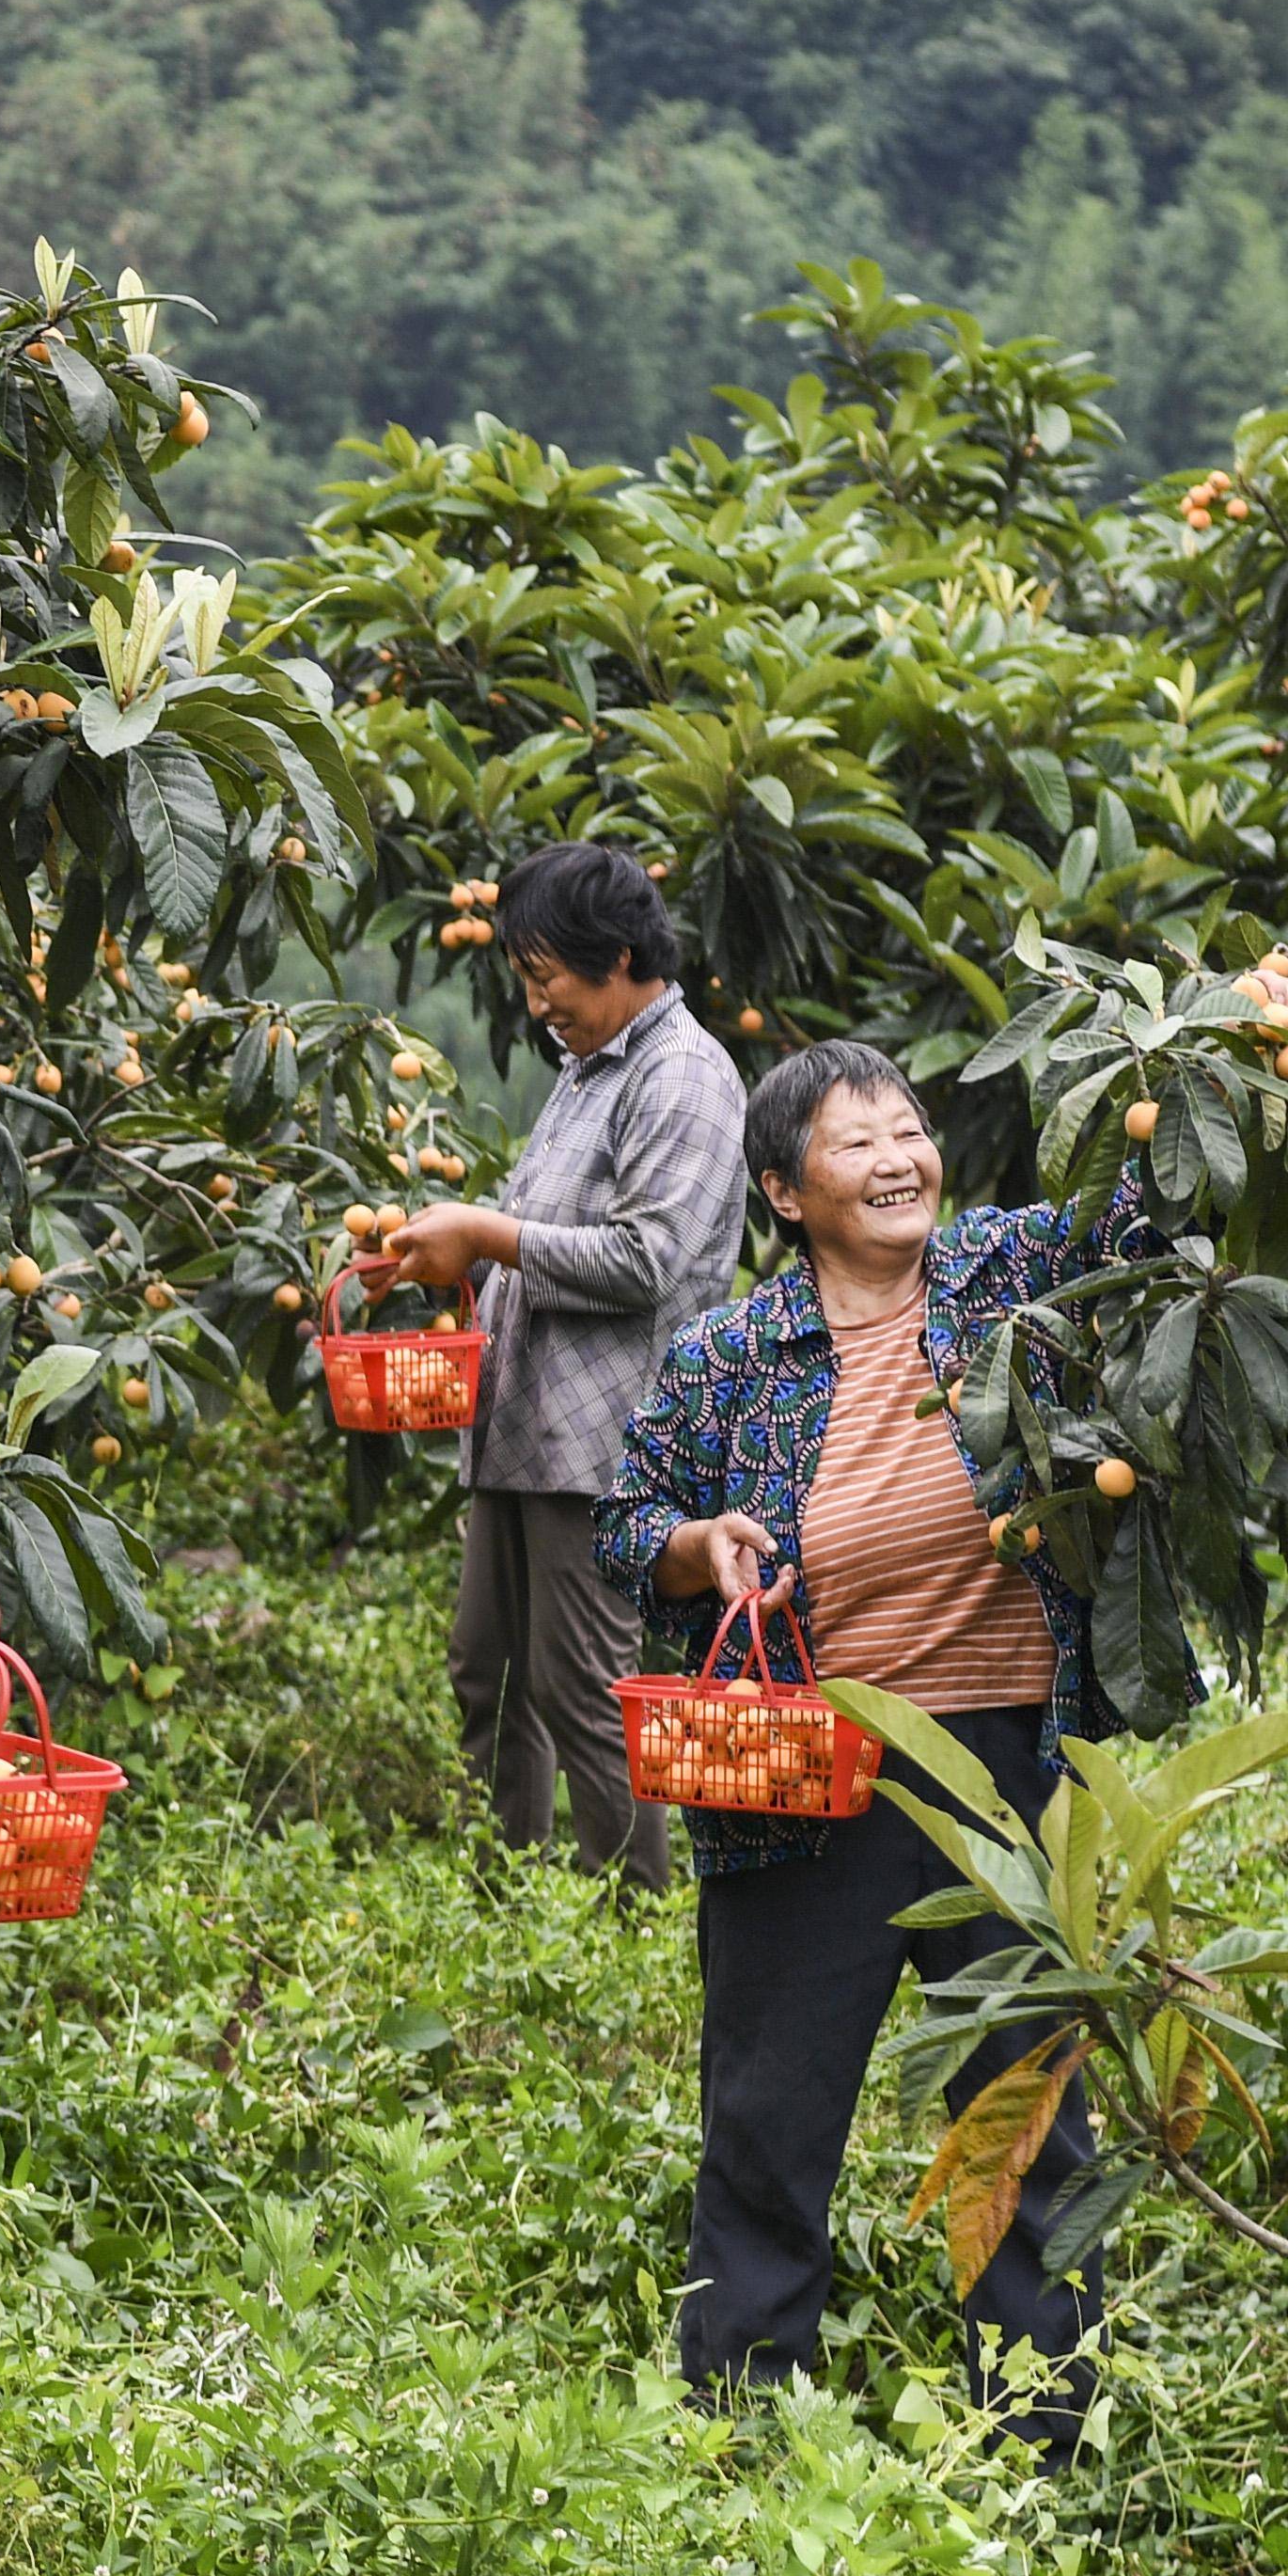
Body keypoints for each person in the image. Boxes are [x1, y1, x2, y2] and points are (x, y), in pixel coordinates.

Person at [596, 1037, 1160, 2452]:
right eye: (856, 1144)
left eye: (908, 1129)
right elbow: (623, 1521)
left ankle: (1041, 2437)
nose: (898, 1158)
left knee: (1025, 2117)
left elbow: (1146, 1225)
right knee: (770, 2120)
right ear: (786, 1190)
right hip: (806, 1777)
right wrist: (697, 1544)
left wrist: (1199, 1061)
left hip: (1011, 1767)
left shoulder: (1009, 1275)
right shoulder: (731, 1352)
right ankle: (738, 2422)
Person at [353, 843, 742, 1891]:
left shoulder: (687, 1078)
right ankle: (506, 1895)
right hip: (518, 1426)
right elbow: (527, 1236)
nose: (537, 1008)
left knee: (583, 1688)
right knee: (487, 1673)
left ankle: (622, 1918)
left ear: (615, 956)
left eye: (545, 981)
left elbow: (647, 1260)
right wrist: (438, 1258)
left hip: (603, 1441)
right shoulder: (587, 1070)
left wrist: (484, 1231)